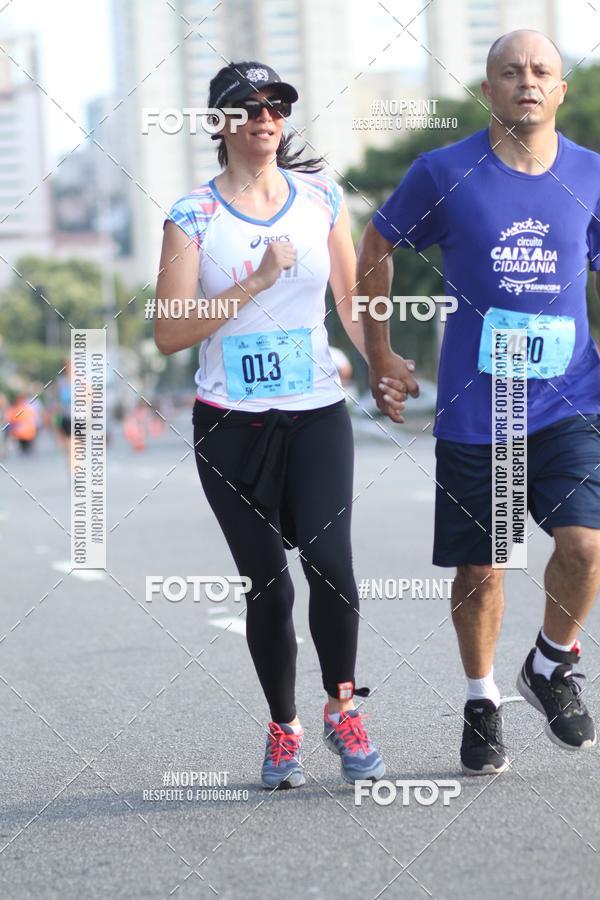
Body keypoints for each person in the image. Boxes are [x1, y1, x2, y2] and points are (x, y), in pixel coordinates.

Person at [357, 30, 600, 775]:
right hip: (477, 411)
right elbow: (376, 244)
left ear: (559, 90)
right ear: (488, 89)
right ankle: (482, 697)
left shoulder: (592, 175)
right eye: (510, 71)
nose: (526, 81)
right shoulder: (442, 171)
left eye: (541, 71)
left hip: (569, 398)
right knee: (483, 570)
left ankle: (552, 663)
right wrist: (381, 351)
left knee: (587, 545)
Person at [155, 61, 392, 789]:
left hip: (316, 413)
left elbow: (351, 301)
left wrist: (381, 360)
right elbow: (168, 332)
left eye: (277, 104)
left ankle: (342, 708)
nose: (265, 117)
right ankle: (284, 725)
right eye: (247, 106)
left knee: (334, 569)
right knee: (270, 586)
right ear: (218, 122)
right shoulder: (193, 215)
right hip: (231, 426)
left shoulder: (321, 197)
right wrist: (254, 281)